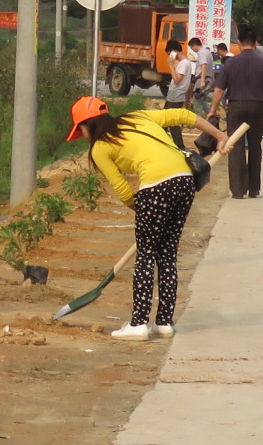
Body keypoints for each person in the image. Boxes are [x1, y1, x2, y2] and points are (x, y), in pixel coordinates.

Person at [68, 95, 234, 341]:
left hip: (155, 187)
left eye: (79, 130)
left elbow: (123, 190)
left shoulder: (101, 148)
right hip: (185, 181)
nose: (81, 136)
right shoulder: (137, 116)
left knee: (146, 255)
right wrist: (221, 136)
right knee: (167, 254)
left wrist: (144, 211)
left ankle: (138, 324)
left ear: (87, 125)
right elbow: (184, 116)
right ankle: (164, 323)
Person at [207, 25, 263, 199]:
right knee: (255, 147)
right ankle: (254, 188)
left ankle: (238, 191)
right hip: (256, 108)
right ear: (255, 43)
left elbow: (219, 89)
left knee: (235, 147)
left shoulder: (231, 62)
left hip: (236, 107)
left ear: (239, 43)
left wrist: (212, 110)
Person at [163, 39, 194, 109]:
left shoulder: (184, 63)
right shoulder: (184, 62)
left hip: (176, 97)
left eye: (169, 54)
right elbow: (189, 84)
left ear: (173, 52)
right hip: (174, 97)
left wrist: (171, 65)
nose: (169, 57)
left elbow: (177, 80)